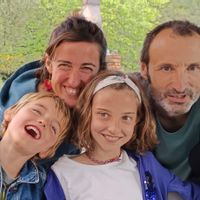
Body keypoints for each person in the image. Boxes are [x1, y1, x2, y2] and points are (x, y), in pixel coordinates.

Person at [44, 71, 200, 200]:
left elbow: (189, 194)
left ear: (137, 120)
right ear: (88, 112)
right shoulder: (62, 173)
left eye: (126, 118)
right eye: (104, 114)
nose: (113, 128)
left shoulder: (145, 164)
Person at [0, 13, 107, 167]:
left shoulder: (96, 106)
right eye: (65, 65)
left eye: (86, 68)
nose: (74, 81)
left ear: (99, 72)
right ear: (49, 63)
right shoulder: (18, 115)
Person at [138, 20, 200, 182]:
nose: (180, 86)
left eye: (193, 68)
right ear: (144, 69)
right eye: (167, 68)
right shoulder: (127, 104)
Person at [0, 92, 70, 200]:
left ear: (47, 150)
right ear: (11, 113)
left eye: (53, 128)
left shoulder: (41, 189)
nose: (43, 121)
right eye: (36, 111)